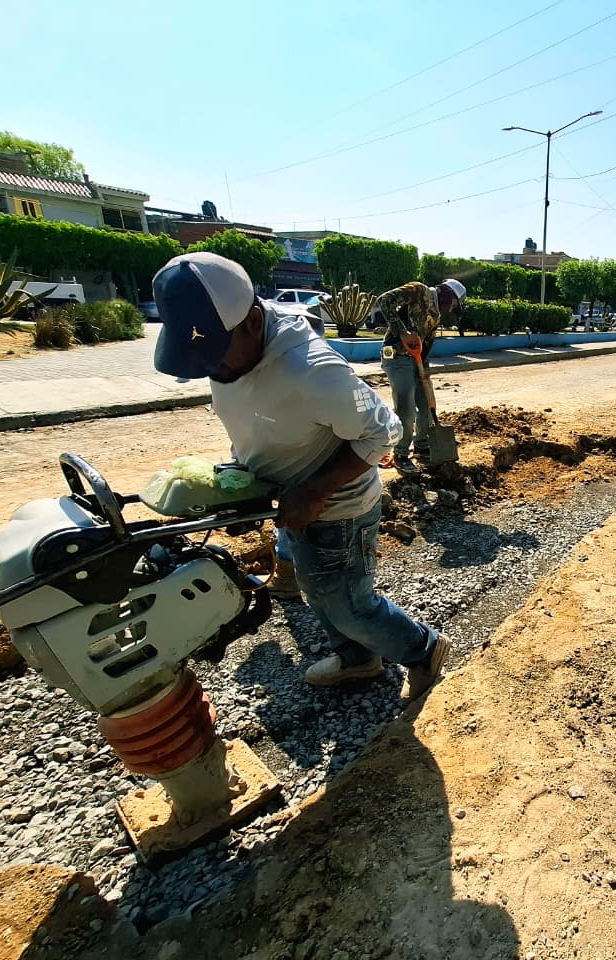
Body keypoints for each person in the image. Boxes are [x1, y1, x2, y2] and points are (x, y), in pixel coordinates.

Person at [151, 252, 449, 700]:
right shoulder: (231, 348)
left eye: (213, 356)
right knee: (319, 590)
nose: (212, 371)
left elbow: (385, 431)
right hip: (292, 499)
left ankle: (423, 649)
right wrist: (242, 482)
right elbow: (259, 420)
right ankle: (358, 659)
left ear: (252, 323)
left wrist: (315, 489)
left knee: (348, 604)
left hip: (338, 508)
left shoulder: (312, 371)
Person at [368, 278, 466, 475]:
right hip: (396, 356)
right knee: (406, 408)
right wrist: (402, 332)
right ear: (448, 294)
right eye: (455, 303)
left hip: (418, 359)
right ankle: (401, 454)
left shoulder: (436, 314)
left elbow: (426, 341)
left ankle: (421, 444)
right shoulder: (419, 290)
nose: (452, 308)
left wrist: (425, 368)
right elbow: (384, 300)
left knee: (427, 404)